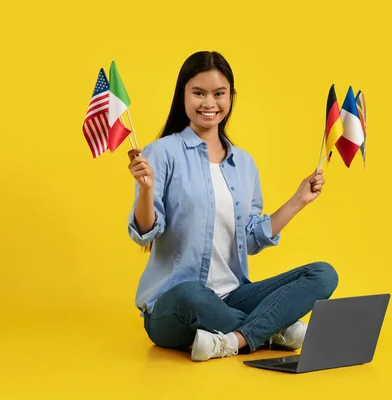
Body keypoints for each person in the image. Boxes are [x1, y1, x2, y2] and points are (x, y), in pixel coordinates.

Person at [127, 51, 338, 362]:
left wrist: (298, 200)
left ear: (230, 98)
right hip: (173, 307)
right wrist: (145, 191)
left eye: (219, 94)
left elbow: (251, 238)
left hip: (233, 299)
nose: (209, 103)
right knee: (191, 293)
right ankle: (270, 331)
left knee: (322, 274)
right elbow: (144, 233)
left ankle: (234, 339)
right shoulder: (161, 152)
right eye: (198, 93)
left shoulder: (243, 163)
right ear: (182, 95)